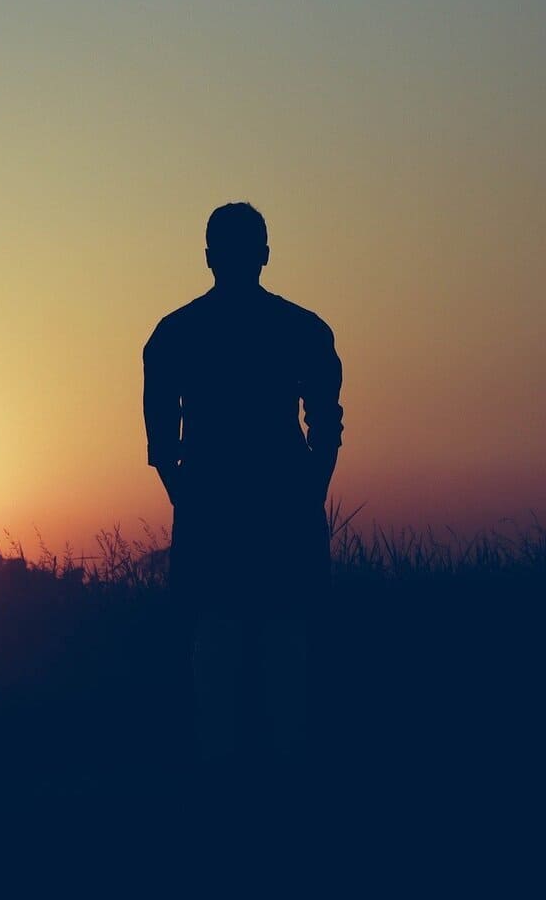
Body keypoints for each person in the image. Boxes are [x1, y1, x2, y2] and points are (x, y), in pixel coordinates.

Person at [142, 202, 343, 767]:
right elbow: (326, 427)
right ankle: (282, 779)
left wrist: (190, 501)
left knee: (219, 649)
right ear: (265, 255)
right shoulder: (303, 328)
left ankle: (225, 784)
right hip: (281, 501)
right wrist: (310, 493)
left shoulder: (175, 333)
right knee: (282, 649)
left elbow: (163, 443)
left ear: (208, 258)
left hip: (218, 500)